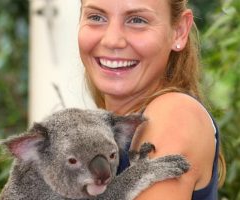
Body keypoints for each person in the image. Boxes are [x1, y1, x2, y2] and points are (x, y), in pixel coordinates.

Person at [78, 0, 226, 199]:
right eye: (96, 17)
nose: (112, 40)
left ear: (180, 31)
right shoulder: (108, 129)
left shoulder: (173, 113)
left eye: (137, 20)